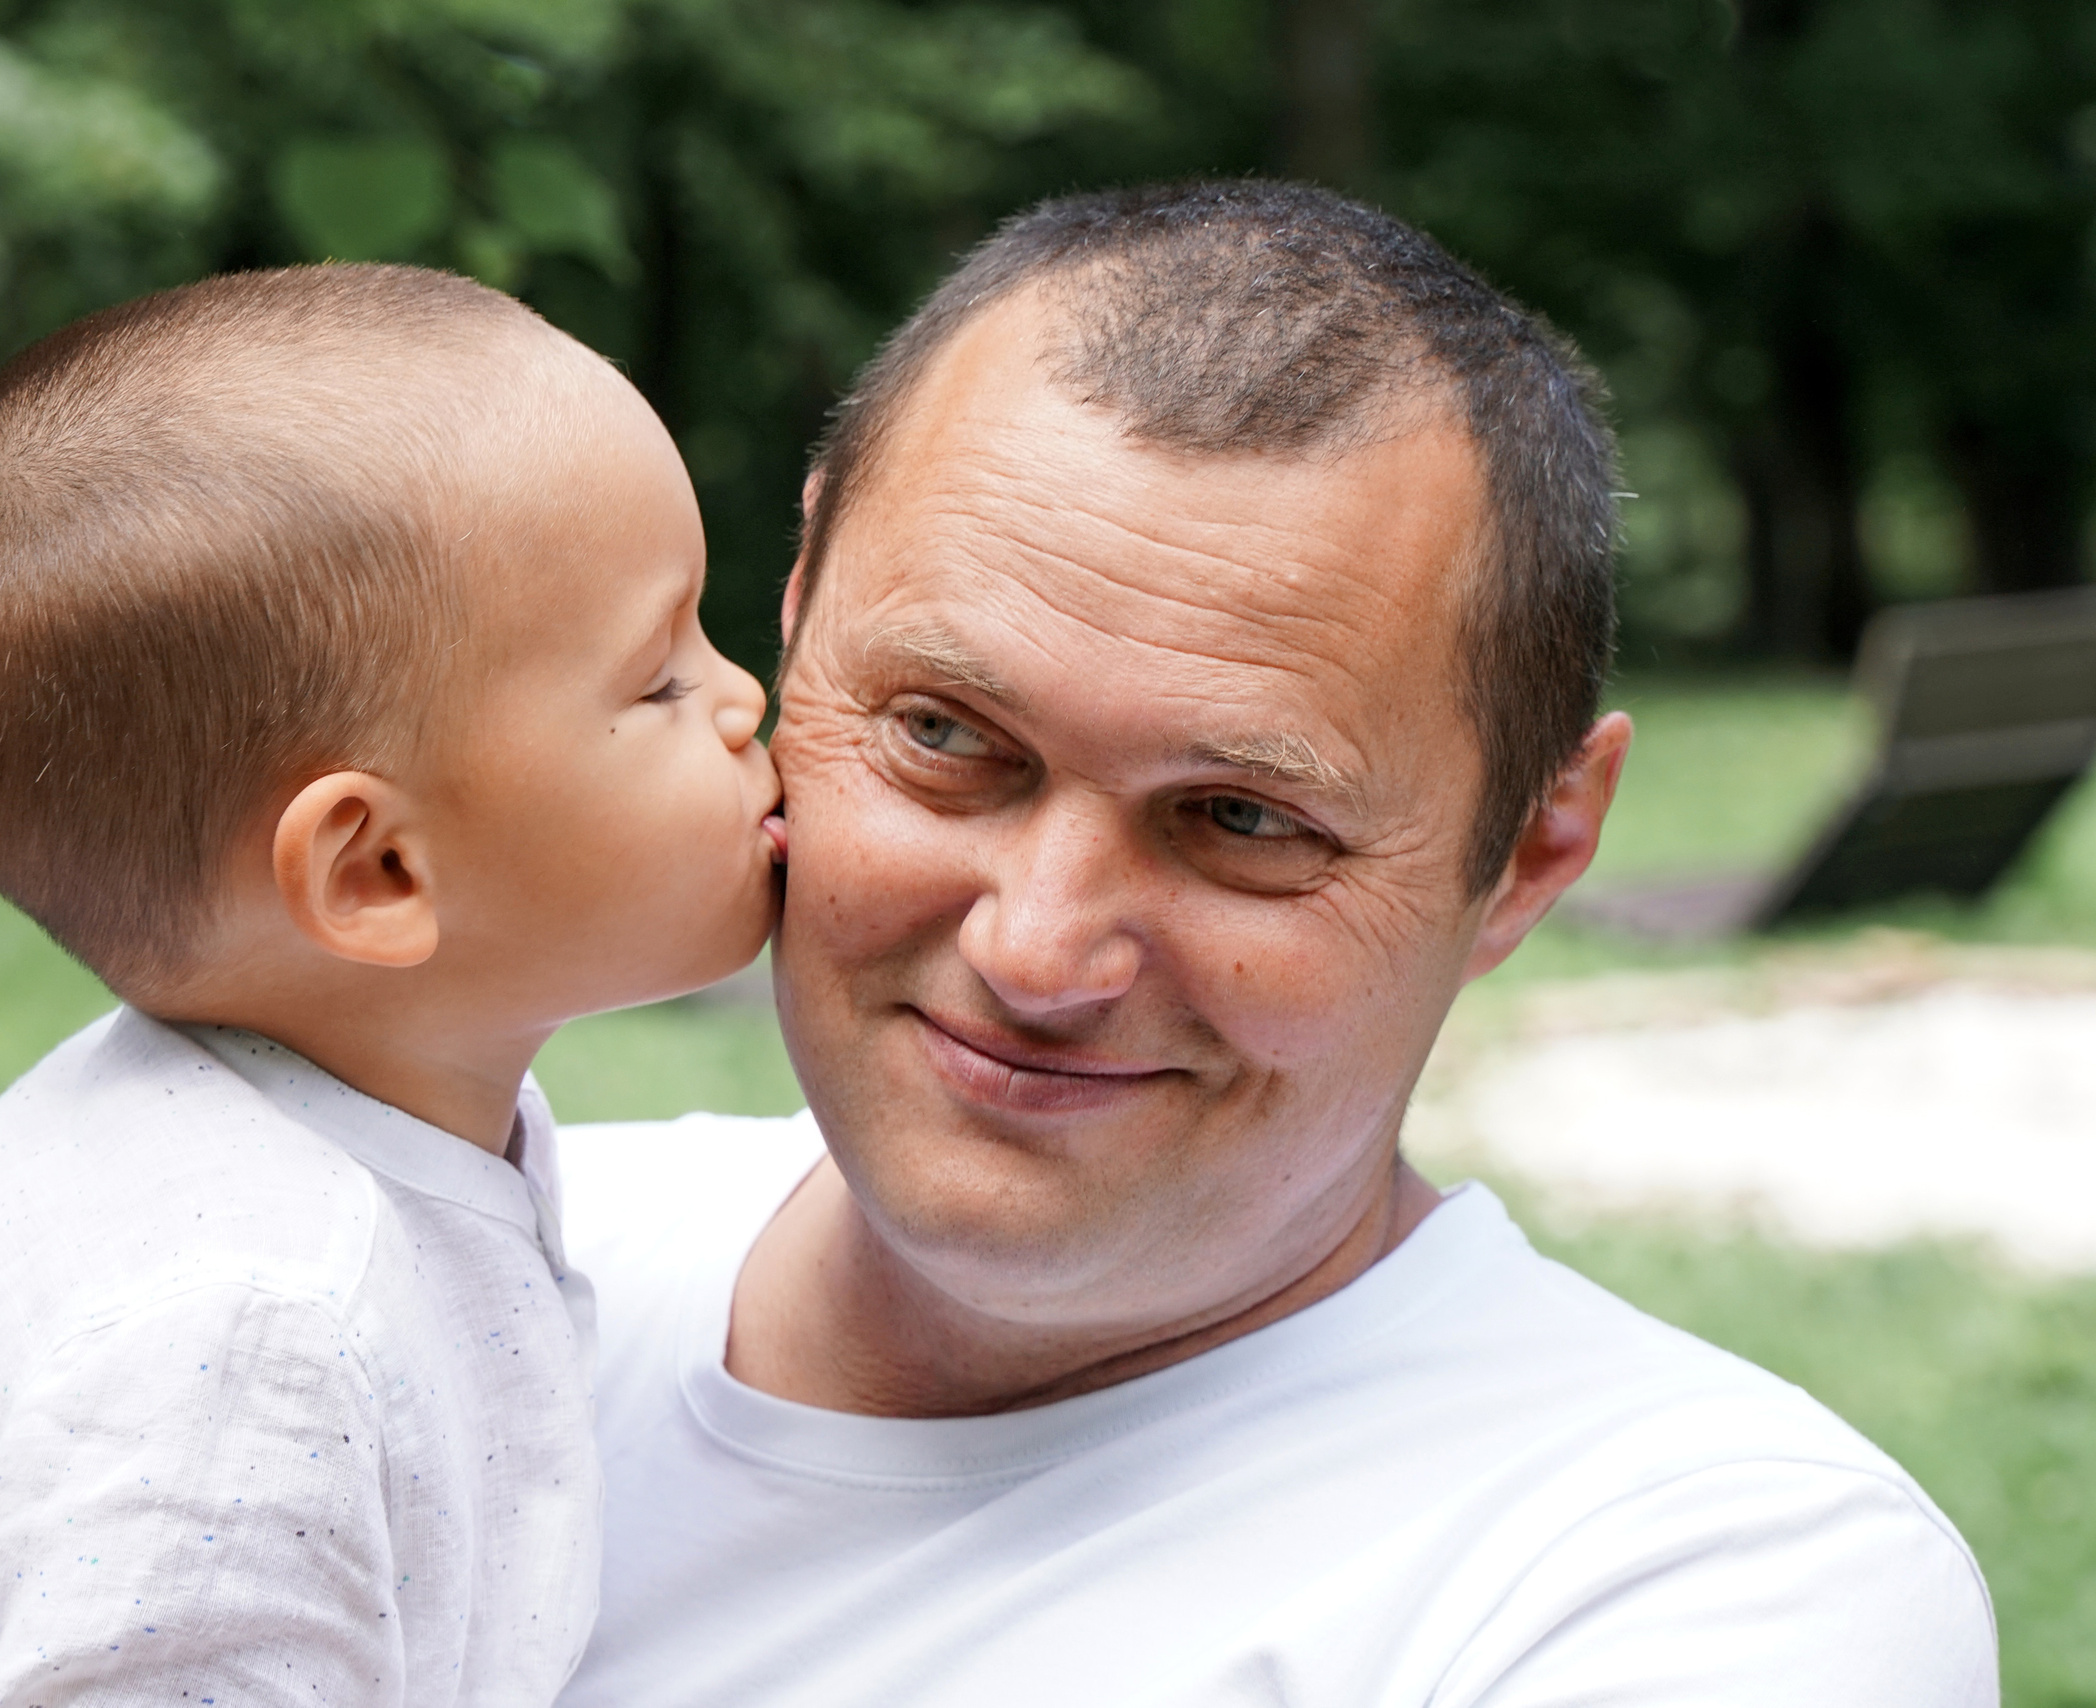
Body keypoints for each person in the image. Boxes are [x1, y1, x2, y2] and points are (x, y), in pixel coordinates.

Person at [553, 182, 1998, 1705]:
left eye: (1242, 822)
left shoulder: (1699, 1584)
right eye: (944, 737)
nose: (1039, 952)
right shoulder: (432, 1275)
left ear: (1531, 851)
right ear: (795, 616)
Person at [0, 264, 783, 1706]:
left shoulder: (321, 1137)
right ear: (376, 876)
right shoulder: (247, 1339)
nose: (745, 701)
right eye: (659, 682)